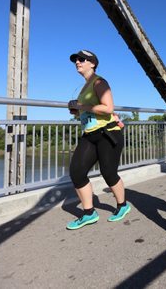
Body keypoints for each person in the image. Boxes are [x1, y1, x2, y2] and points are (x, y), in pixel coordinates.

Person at [66, 49, 130, 230]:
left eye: (81, 59)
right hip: (90, 134)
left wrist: (82, 106)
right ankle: (89, 213)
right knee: (77, 172)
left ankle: (122, 205)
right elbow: (91, 109)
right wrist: (77, 110)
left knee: (108, 172)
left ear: (92, 63)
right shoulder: (84, 87)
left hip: (107, 133)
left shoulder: (99, 82)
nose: (77, 62)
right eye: (76, 60)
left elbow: (108, 107)